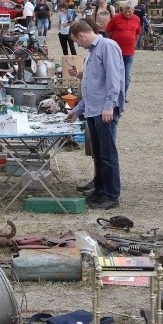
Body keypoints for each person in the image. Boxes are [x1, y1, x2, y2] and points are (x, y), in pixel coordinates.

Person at [66, 21, 125, 210]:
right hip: (93, 109)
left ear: (81, 35)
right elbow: (93, 86)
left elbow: (113, 79)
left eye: (77, 41)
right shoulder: (93, 52)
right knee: (99, 155)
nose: (78, 45)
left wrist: (109, 105)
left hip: (104, 110)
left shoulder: (107, 47)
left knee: (108, 155)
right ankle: (100, 190)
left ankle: (111, 195)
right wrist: (77, 110)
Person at [105, 0, 142, 99]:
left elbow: (137, 33)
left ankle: (123, 95)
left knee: (127, 76)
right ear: (122, 10)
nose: (127, 13)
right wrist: (111, 41)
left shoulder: (136, 19)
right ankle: (114, 94)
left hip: (129, 52)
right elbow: (107, 30)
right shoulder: (116, 18)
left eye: (129, 11)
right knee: (116, 74)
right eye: (125, 11)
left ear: (133, 11)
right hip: (117, 52)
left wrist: (134, 44)